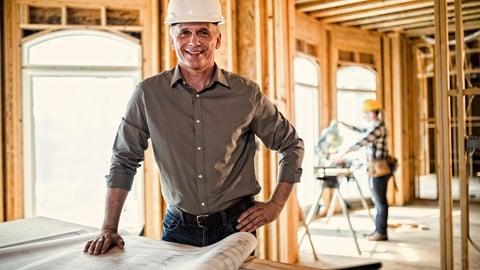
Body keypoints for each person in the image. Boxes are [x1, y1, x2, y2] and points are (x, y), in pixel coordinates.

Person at [84, 0, 304, 255]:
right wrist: (109, 227)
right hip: (178, 228)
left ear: (217, 40)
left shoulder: (246, 94)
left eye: (203, 32)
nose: (194, 41)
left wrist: (276, 205)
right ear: (173, 39)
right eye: (185, 32)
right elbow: (123, 160)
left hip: (235, 228)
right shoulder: (148, 94)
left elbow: (291, 144)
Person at [338, 99, 390, 241]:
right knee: (378, 201)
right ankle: (379, 230)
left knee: (380, 202)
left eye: (366, 113)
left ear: (372, 113)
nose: (364, 116)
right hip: (374, 169)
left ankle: (381, 232)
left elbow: (362, 141)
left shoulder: (378, 128)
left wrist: (343, 153)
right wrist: (343, 125)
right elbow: (361, 130)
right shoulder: (374, 126)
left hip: (379, 170)